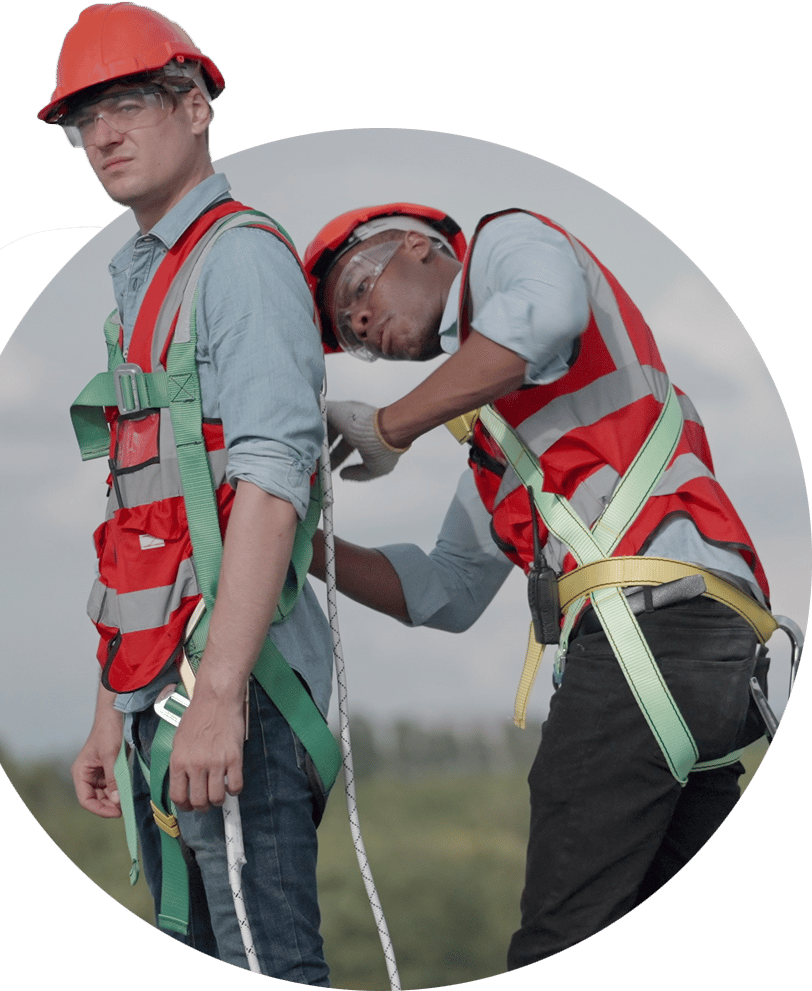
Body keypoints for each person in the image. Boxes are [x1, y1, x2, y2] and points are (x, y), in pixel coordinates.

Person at [303, 202, 773, 968]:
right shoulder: (506, 448)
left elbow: (541, 318)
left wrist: (388, 426)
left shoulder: (509, 240)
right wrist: (305, 544)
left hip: (652, 634)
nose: (359, 318)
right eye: (351, 332)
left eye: (359, 285)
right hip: (699, 651)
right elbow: (444, 590)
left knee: (559, 939)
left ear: (420, 248)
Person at [39, 4, 336, 982]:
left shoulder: (238, 260)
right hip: (161, 697)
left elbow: (268, 482)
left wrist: (213, 698)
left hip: (232, 693)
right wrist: (111, 708)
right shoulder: (142, 286)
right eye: (85, 120)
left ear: (197, 105)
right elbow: (144, 524)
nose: (103, 136)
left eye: (126, 104)